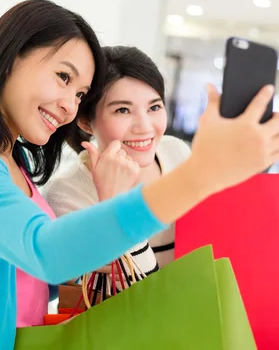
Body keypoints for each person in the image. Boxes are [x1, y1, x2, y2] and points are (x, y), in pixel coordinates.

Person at [0, 0, 279, 350]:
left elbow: (37, 271)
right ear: (9, 58)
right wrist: (202, 173)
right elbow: (46, 251)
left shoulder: (6, 158)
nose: (67, 106)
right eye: (63, 77)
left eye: (79, 94)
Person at [45, 46, 190, 276]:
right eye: (123, 110)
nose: (144, 127)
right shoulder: (67, 195)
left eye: (154, 107)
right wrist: (113, 203)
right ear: (85, 121)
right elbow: (136, 290)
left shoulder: (177, 153)